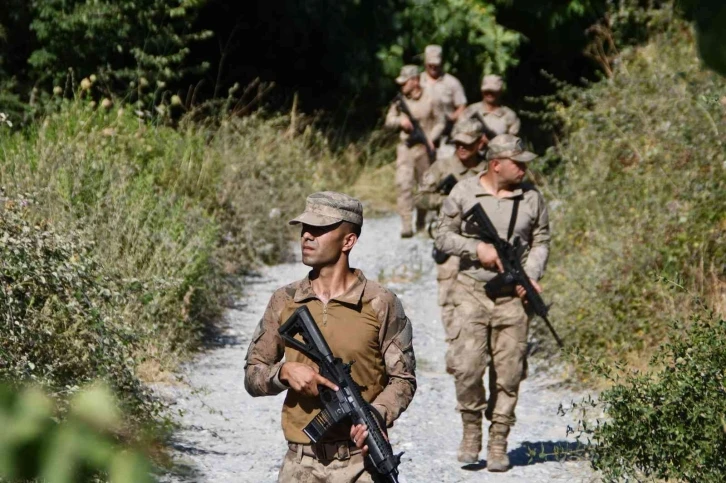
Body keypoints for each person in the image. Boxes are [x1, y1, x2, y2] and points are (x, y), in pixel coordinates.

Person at [244, 191, 417, 483]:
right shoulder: (285, 300)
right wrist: (283, 373)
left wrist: (376, 414)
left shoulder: (380, 302)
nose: (307, 237)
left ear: (348, 241)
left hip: (360, 462)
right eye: (304, 229)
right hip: (300, 464)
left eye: (320, 230)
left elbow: (403, 379)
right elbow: (253, 375)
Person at [434, 135, 550, 472]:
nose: (525, 169)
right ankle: (471, 431)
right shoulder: (464, 192)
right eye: (519, 163)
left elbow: (541, 240)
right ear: (496, 164)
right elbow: (442, 235)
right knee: (467, 366)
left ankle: (499, 440)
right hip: (470, 291)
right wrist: (477, 250)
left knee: (509, 372)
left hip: (513, 297)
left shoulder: (532, 198)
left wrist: (530, 275)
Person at [414, 119, 487, 374]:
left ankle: (477, 349)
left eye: (467, 143)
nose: (461, 148)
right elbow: (420, 198)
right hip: (451, 244)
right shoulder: (443, 167)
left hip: (483, 245)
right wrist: (447, 199)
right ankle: (458, 354)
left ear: (480, 143)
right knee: (449, 300)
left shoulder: (488, 169)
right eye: (457, 143)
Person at [385, 65, 445, 238]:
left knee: (425, 187)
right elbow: (388, 121)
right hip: (406, 149)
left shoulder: (431, 98)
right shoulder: (399, 101)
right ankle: (406, 224)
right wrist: (399, 122)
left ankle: (421, 221)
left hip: (425, 149)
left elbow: (441, 121)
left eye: (405, 82)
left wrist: (432, 138)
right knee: (403, 184)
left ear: (415, 81)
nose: (402, 85)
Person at [458, 75, 520, 139]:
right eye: (487, 91)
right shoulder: (471, 111)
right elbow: (457, 133)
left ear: (500, 91)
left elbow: (514, 144)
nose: (489, 94)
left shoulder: (509, 115)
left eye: (493, 91)